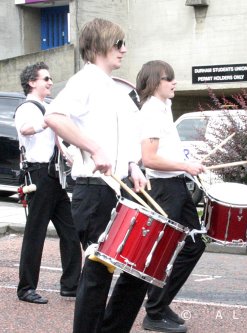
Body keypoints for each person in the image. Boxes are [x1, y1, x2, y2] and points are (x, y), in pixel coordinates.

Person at [45, 18, 149, 333]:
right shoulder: (85, 81)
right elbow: (54, 116)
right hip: (95, 191)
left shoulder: (114, 87)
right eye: (119, 44)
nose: (124, 50)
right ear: (100, 45)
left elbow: (121, 137)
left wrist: (132, 166)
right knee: (97, 276)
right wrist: (94, 149)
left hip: (120, 188)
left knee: (137, 267)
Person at [136, 60, 206, 333]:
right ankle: (154, 312)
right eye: (168, 78)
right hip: (165, 189)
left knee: (195, 243)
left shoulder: (163, 108)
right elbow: (149, 158)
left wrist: (187, 161)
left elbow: (165, 152)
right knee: (167, 250)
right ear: (154, 82)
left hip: (175, 185)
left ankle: (159, 304)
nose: (174, 82)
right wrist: (185, 166)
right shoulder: (152, 111)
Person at [15, 62, 81, 304]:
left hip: (54, 176)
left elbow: (53, 139)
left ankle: (71, 286)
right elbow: (25, 129)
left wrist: (66, 154)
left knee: (71, 231)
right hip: (38, 175)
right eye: (46, 79)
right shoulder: (27, 107)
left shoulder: (47, 106)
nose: (50, 82)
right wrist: (47, 122)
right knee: (35, 233)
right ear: (32, 82)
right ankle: (25, 289)